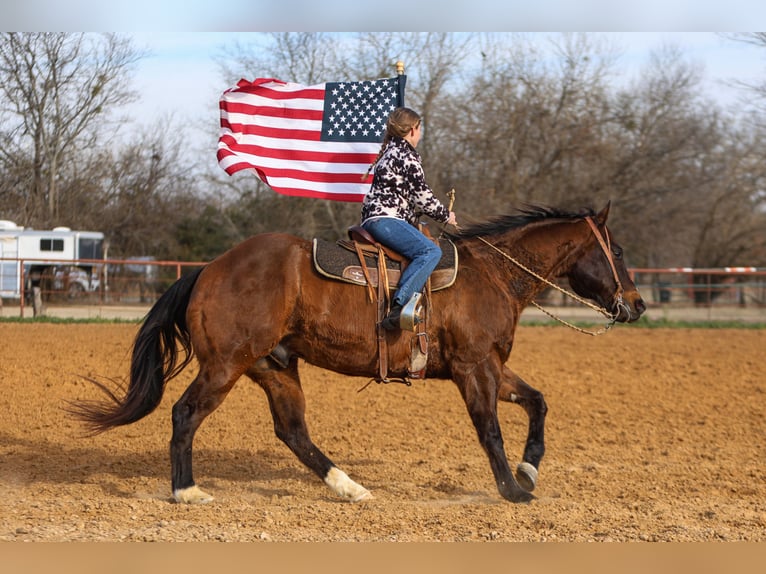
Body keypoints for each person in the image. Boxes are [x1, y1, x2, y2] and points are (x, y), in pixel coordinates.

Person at [361, 107, 457, 331]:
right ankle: (399, 308)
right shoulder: (406, 156)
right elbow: (422, 195)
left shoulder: (389, 152)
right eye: (420, 128)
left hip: (374, 218)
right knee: (430, 251)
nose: (421, 133)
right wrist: (446, 215)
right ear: (414, 129)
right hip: (386, 220)